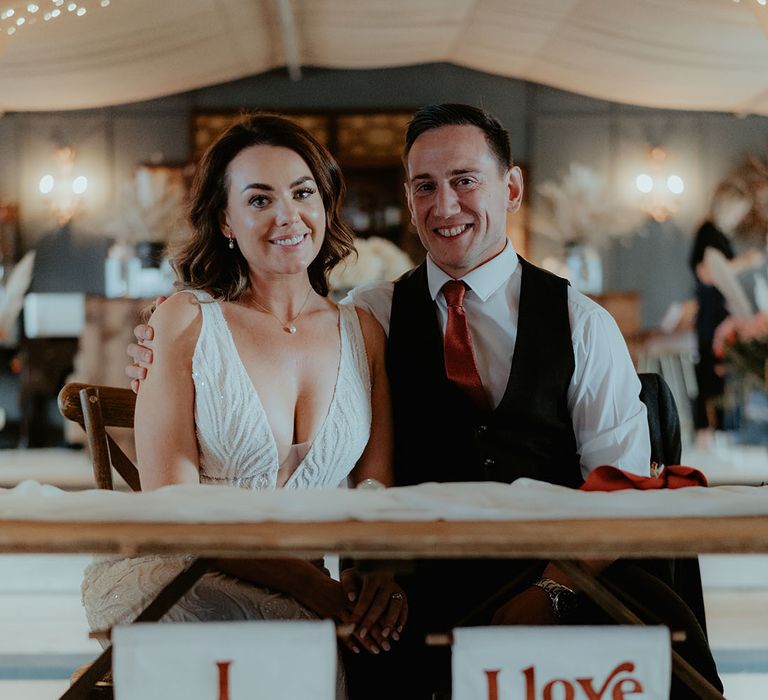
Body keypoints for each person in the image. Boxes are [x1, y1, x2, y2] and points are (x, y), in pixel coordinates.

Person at [128, 104, 722, 699]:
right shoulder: (369, 314)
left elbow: (619, 490)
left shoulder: (583, 323)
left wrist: (551, 592)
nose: (445, 206)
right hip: (419, 592)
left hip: (562, 576)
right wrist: (163, 361)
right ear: (408, 199)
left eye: (465, 181)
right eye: (425, 186)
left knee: (650, 643)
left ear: (511, 188)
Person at [85, 114, 407, 698]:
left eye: (302, 192)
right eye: (259, 199)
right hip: (193, 580)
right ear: (226, 220)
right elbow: (171, 503)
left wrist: (375, 576)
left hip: (316, 601)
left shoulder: (365, 332)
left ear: (326, 206)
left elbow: (375, 494)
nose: (288, 215)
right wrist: (310, 586)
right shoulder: (185, 320)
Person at [690, 181, 761, 444]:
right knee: (709, 371)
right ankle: (706, 434)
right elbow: (707, 274)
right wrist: (745, 262)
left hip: (720, 315)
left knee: (719, 372)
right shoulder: (707, 233)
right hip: (712, 316)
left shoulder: (716, 235)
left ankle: (718, 433)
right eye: (737, 211)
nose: (739, 217)